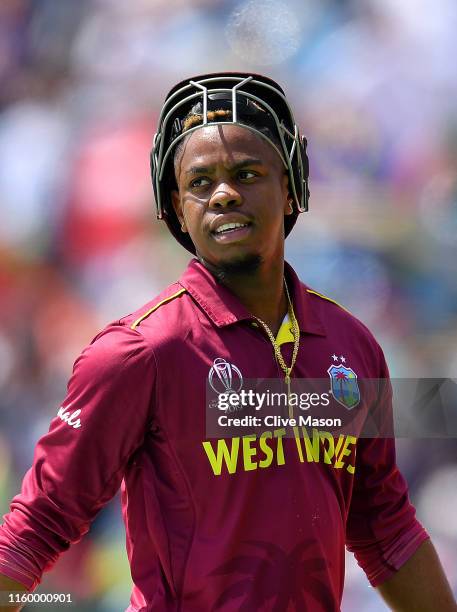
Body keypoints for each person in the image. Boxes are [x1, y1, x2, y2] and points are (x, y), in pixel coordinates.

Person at [0, 72, 455, 612]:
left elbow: (385, 529)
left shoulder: (351, 345)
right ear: (174, 205)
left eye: (246, 172)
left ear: (290, 187)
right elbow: (37, 526)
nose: (223, 194)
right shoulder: (138, 352)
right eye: (199, 182)